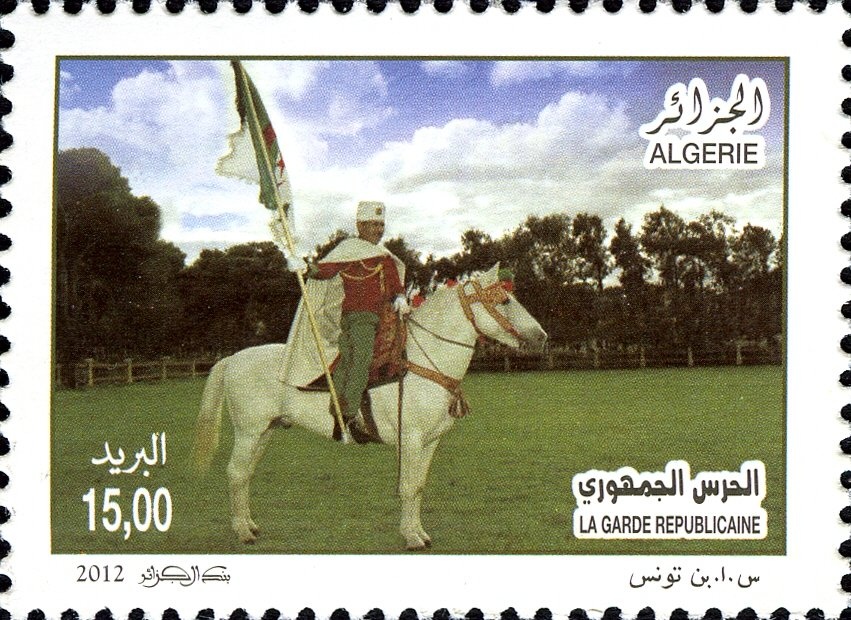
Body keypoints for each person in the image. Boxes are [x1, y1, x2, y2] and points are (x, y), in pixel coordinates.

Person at [305, 200, 410, 438]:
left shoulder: (383, 256)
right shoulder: (348, 251)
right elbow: (324, 271)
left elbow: (395, 283)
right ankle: (347, 416)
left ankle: (341, 415)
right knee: (355, 361)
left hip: (374, 319)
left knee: (351, 362)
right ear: (360, 226)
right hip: (351, 318)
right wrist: (305, 267)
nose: (379, 230)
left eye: (381, 225)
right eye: (374, 224)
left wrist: (400, 297)